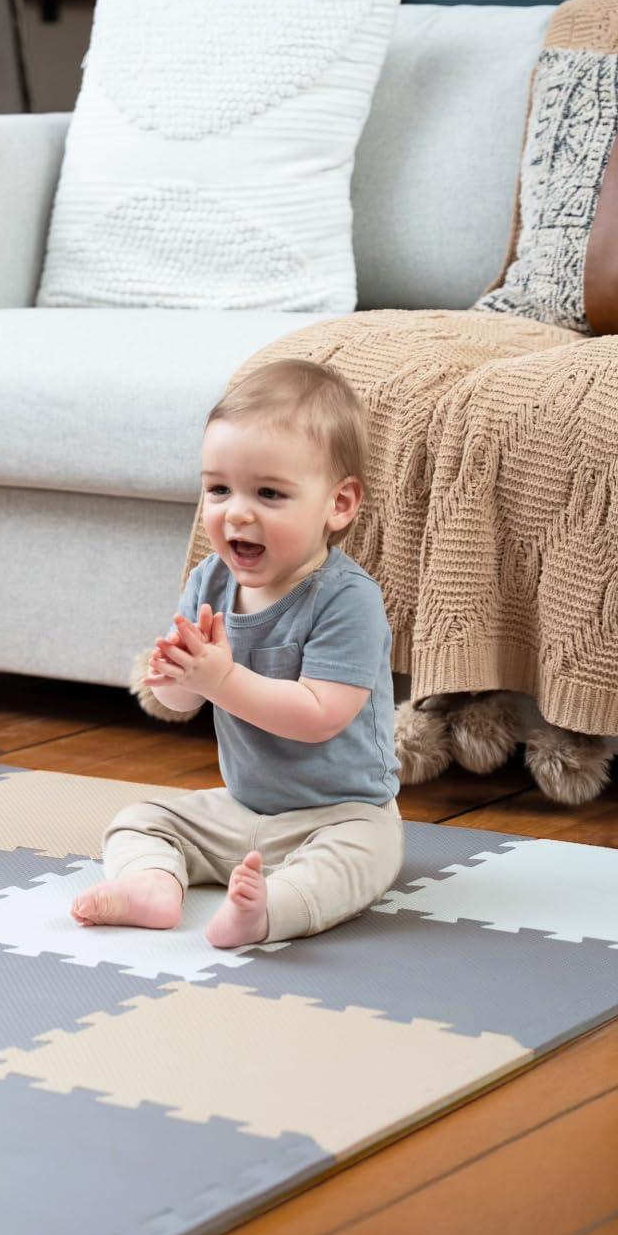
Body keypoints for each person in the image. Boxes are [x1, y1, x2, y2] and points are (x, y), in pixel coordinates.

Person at [72, 358, 403, 948]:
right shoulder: (211, 581)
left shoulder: (348, 600)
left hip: (340, 814)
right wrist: (179, 676)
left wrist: (220, 678)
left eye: (269, 493)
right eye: (218, 489)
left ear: (339, 504)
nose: (237, 512)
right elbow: (178, 699)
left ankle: (271, 909)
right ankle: (152, 885)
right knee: (140, 821)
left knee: (364, 857)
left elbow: (319, 716)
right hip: (242, 809)